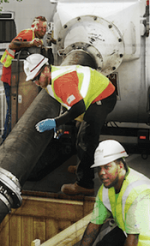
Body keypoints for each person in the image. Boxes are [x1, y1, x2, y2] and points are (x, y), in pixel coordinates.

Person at [24, 53, 118, 196]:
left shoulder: (59, 81)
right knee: (79, 132)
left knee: (85, 140)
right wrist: (60, 123)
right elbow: (65, 100)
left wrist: (56, 121)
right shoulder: (50, 80)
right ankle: (84, 165)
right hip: (95, 95)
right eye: (33, 80)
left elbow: (78, 108)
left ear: (46, 70)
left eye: (37, 77)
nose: (36, 82)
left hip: (102, 97)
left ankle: (85, 185)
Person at [0, 16, 48, 140]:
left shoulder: (36, 37)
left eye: (45, 28)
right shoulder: (27, 34)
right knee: (13, 110)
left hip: (19, 80)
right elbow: (13, 44)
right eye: (40, 27)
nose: (43, 30)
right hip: (11, 77)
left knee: (20, 109)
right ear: (33, 27)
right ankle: (6, 139)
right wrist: (30, 43)